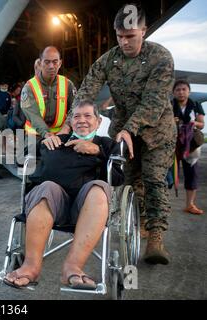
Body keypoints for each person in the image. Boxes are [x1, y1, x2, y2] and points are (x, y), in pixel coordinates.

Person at [72, 4, 176, 265]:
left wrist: (129, 128)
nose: (124, 41)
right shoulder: (109, 60)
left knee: (152, 178)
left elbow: (153, 102)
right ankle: (137, 223)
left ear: (144, 30)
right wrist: (70, 123)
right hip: (123, 132)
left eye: (130, 36)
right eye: (120, 36)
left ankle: (155, 237)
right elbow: (87, 91)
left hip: (156, 132)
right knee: (127, 180)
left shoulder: (161, 58)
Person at [3, 101, 124, 290]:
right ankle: (30, 267)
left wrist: (98, 152)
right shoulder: (58, 141)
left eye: (87, 116)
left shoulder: (107, 145)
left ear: (98, 122)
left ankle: (72, 267)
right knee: (47, 187)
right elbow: (24, 156)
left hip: (87, 209)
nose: (82, 120)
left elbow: (117, 178)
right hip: (50, 204)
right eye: (77, 117)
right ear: (71, 122)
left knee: (99, 188)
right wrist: (44, 139)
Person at [20, 46, 77, 144]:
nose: (51, 66)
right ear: (40, 63)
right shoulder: (29, 87)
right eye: (47, 62)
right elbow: (34, 116)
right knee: (30, 158)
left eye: (55, 62)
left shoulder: (68, 84)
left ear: (60, 63)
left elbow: (75, 109)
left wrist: (67, 127)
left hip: (61, 135)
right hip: (35, 137)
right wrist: (47, 134)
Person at [172, 79, 205, 215]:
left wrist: (193, 123)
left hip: (190, 145)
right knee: (167, 175)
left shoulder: (196, 105)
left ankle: (190, 205)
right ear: (173, 92)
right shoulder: (169, 105)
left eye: (184, 89)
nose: (181, 92)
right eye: (178, 90)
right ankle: (162, 206)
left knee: (192, 174)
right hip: (172, 144)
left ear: (189, 91)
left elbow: (201, 124)